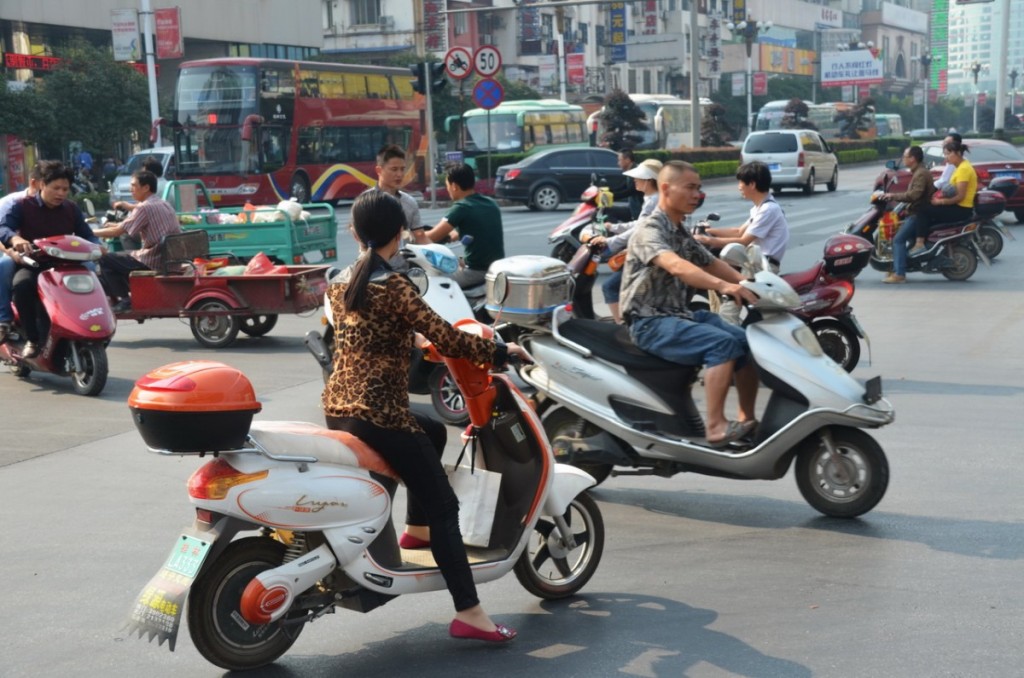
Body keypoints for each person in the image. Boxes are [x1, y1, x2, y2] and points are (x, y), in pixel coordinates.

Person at [322, 190, 527, 643]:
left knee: (433, 430)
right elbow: (449, 338)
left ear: (354, 233)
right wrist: (501, 351)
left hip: (339, 409)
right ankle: (470, 612)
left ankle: (416, 532)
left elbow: (366, 332)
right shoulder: (395, 285)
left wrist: (412, 339)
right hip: (379, 415)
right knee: (446, 506)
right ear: (400, 233)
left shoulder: (341, 282)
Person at [619, 160, 760, 447]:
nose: (697, 195)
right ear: (666, 189)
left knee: (748, 342)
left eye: (699, 188)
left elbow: (709, 262)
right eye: (690, 188)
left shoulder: (679, 230)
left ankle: (747, 420)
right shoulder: (650, 230)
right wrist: (723, 286)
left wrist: (750, 285)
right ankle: (716, 426)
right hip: (650, 322)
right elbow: (676, 265)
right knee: (722, 345)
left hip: (679, 315)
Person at [0, 161, 100, 358]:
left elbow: (87, 235)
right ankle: (32, 338)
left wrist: (97, 245)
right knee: (22, 286)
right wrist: (15, 239)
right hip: (34, 264)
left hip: (67, 265)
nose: (61, 193)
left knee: (94, 280)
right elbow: (3, 228)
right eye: (56, 188)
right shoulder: (22, 206)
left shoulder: (71, 209)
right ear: (42, 185)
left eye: (65, 189)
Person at [582, 158, 663, 323]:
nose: (635, 180)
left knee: (610, 287)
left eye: (638, 177)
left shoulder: (654, 200)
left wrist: (610, 242)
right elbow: (640, 223)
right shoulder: (651, 198)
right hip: (647, 251)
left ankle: (622, 327)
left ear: (648, 180)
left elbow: (640, 229)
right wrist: (613, 227)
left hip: (648, 254)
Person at [93, 170, 181, 312]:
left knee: (105, 258)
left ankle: (125, 300)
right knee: (120, 257)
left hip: (152, 260)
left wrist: (88, 232)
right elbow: (126, 225)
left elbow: (118, 232)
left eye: (134, 185)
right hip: (167, 258)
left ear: (146, 187)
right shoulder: (163, 203)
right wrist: (114, 225)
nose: (131, 189)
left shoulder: (144, 207)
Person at [694, 161, 790, 273]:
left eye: (741, 182)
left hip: (761, 267)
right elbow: (739, 231)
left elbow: (743, 241)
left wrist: (708, 240)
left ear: (752, 184)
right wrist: (708, 231)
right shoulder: (760, 208)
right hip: (753, 263)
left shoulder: (768, 209)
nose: (739, 187)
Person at [423, 163, 505, 289]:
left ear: (454, 186)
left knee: (432, 284)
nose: (448, 189)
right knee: (455, 261)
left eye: (447, 186)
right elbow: (455, 234)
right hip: (497, 268)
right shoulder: (490, 203)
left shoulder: (461, 207)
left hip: (477, 271)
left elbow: (431, 237)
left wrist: (412, 233)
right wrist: (447, 236)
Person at [362, 145, 426, 271]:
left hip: (403, 271)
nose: (399, 174)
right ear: (379, 170)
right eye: (394, 169)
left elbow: (420, 236)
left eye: (402, 169)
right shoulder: (365, 202)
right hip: (372, 270)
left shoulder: (409, 202)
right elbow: (361, 240)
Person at [909, 139, 977, 256]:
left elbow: (960, 196)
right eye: (945, 154)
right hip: (957, 207)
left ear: (958, 153)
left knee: (922, 209)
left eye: (948, 154)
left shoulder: (963, 169)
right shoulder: (960, 167)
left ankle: (919, 244)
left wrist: (940, 202)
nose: (946, 157)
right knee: (926, 209)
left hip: (961, 209)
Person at [0, 163, 44, 343]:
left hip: (46, 256)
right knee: (4, 264)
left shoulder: (63, 206)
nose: (59, 193)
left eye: (63, 189)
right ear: (34, 183)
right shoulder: (12, 203)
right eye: (52, 187)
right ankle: (3, 319)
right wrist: (11, 252)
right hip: (11, 253)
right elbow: (2, 232)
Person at [879, 146, 936, 284]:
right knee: (903, 238)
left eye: (905, 156)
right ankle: (900, 265)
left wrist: (893, 196)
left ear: (912, 159)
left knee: (898, 240)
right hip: (915, 211)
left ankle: (900, 274)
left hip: (917, 214)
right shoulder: (918, 172)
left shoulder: (921, 173)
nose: (903, 159)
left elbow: (914, 195)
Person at [617, 149, 644, 219]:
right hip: (633, 209)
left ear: (627, 160)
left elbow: (629, 191)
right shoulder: (630, 171)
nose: (618, 163)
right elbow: (622, 187)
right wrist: (607, 191)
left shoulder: (637, 172)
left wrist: (611, 196)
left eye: (620, 160)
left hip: (640, 212)